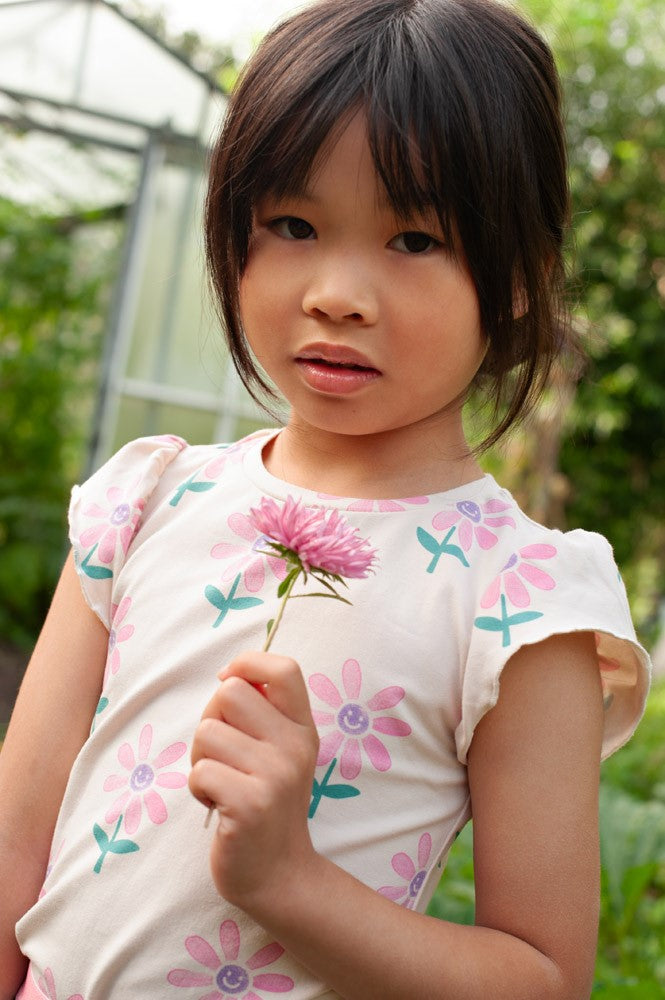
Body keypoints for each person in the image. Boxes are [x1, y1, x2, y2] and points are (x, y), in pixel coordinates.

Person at [0, 0, 651, 997]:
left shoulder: (518, 601)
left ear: (518, 275)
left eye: (414, 238)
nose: (336, 292)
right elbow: (17, 831)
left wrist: (288, 881)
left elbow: (541, 975)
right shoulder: (150, 499)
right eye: (293, 225)